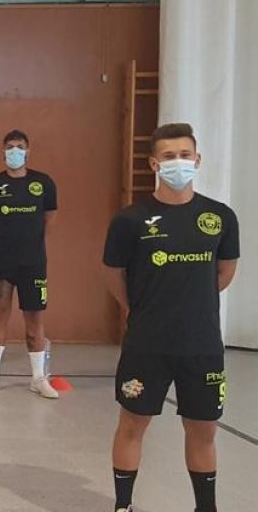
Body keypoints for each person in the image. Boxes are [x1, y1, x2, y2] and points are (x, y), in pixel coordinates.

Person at [103, 123, 239, 512]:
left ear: (197, 160)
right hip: (147, 344)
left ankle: (205, 507)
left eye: (184, 155)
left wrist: (192, 302)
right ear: (153, 163)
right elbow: (113, 273)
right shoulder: (130, 220)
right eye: (168, 156)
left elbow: (224, 272)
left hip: (202, 346)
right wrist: (137, 307)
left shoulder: (220, 217)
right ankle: (123, 505)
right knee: (133, 424)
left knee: (203, 430)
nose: (177, 162)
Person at [0, 129, 60, 399]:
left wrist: (30, 242)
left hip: (33, 263)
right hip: (0, 262)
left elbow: (49, 218)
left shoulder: (43, 183)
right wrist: (4, 242)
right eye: (9, 146)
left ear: (28, 150)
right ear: (2, 151)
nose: (14, 151)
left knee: (34, 319)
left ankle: (38, 378)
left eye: (19, 146)